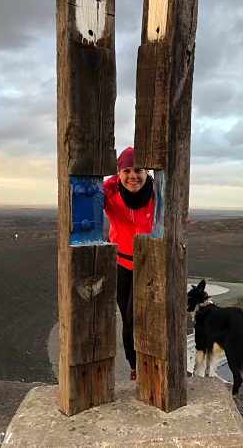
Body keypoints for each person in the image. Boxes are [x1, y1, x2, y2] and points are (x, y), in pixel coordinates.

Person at [103, 147, 154, 381]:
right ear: (118, 172)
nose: (132, 176)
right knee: (127, 318)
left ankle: (148, 363)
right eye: (126, 170)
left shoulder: (159, 190)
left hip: (150, 264)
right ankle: (134, 366)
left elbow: (180, 220)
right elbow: (86, 201)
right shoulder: (110, 189)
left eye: (138, 170)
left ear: (147, 171)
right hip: (121, 263)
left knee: (139, 318)